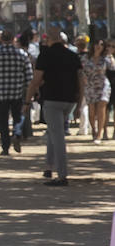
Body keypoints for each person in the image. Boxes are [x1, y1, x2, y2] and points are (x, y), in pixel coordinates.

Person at [26, 33, 83, 186]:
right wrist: (79, 103)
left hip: (52, 99)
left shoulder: (45, 56)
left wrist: (27, 100)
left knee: (57, 137)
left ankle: (62, 175)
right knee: (53, 131)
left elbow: (36, 80)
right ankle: (49, 167)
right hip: (69, 100)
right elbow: (80, 81)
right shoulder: (73, 56)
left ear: (49, 41)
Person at [0, 28, 32, 156]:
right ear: (13, 39)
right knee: (18, 116)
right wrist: (31, 92)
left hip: (0, 93)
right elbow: (29, 76)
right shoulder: (21, 54)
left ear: (1, 40)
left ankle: (5, 147)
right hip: (17, 92)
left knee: (2, 121)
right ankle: (17, 133)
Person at [81, 36, 114, 144]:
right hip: (90, 85)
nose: (98, 46)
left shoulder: (106, 58)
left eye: (101, 44)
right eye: (96, 44)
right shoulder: (86, 58)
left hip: (103, 85)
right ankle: (94, 130)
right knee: (91, 111)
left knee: (101, 108)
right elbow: (82, 70)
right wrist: (83, 79)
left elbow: (112, 68)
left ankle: (99, 134)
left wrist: (110, 56)